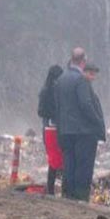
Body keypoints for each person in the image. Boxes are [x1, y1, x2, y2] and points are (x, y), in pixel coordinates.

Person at [54, 48, 105, 201]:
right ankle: (81, 197)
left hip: (65, 130)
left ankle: (67, 195)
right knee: (83, 166)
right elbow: (86, 104)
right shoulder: (81, 79)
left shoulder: (61, 79)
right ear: (83, 61)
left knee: (69, 164)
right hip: (83, 132)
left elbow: (58, 106)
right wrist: (97, 122)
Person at [38, 65, 64, 195]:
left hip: (47, 129)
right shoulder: (55, 92)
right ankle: (54, 188)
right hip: (53, 130)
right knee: (58, 158)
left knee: (53, 159)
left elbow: (40, 111)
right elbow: (41, 111)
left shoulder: (44, 91)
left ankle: (51, 189)